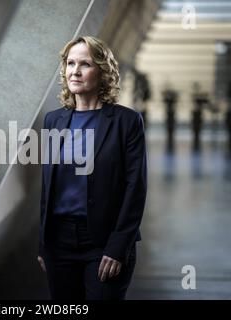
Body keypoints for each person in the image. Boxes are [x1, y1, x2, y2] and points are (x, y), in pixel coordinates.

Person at [37, 36, 147, 300]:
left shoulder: (126, 122)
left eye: (85, 64)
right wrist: (44, 243)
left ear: (103, 71)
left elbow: (135, 188)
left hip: (104, 241)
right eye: (70, 63)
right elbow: (49, 187)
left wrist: (118, 246)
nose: (75, 71)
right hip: (59, 243)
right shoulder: (53, 120)